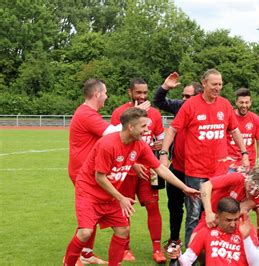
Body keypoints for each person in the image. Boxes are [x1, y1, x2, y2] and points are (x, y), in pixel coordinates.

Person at [63, 108, 200, 266]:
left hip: (110, 195)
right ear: (130, 127)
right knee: (85, 232)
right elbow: (99, 177)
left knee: (123, 230)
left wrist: (184, 187)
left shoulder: (139, 145)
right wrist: (121, 198)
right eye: (143, 126)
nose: (147, 129)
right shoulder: (107, 144)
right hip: (89, 193)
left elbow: (160, 168)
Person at [160, 69, 250, 246]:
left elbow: (235, 130)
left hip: (219, 172)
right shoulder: (191, 105)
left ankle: (212, 253)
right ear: (204, 84)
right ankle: (191, 256)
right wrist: (163, 154)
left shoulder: (224, 105)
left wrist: (244, 153)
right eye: (214, 84)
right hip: (196, 172)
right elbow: (172, 129)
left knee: (217, 212)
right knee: (194, 215)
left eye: (220, 84)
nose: (218, 88)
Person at [110, 78, 167, 263]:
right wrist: (133, 162)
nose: (142, 96)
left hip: (149, 170)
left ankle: (157, 249)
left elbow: (162, 138)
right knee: (125, 209)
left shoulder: (155, 114)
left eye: (144, 92)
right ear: (130, 93)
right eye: (138, 93)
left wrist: (161, 146)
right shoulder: (120, 113)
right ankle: (125, 248)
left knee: (153, 207)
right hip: (126, 171)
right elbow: (114, 141)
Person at [68, 78, 123, 265]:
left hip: (88, 171)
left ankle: (86, 253)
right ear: (97, 94)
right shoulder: (86, 114)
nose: (107, 97)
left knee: (90, 215)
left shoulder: (87, 113)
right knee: (88, 216)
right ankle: (74, 258)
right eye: (105, 93)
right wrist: (135, 119)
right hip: (83, 173)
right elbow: (111, 132)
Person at [152, 72, 203, 248]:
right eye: (183, 96)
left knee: (197, 209)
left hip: (198, 170)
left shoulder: (207, 110)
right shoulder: (181, 107)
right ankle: (174, 239)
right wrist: (165, 87)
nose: (183, 99)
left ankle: (198, 244)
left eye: (188, 96)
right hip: (178, 167)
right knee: (174, 206)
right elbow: (158, 102)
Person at [167, 197, 259, 265]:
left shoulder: (246, 229)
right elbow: (187, 261)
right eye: (228, 220)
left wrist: (246, 238)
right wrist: (178, 254)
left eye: (236, 219)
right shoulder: (206, 232)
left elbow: (257, 264)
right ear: (217, 217)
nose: (233, 224)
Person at [195, 166, 259, 237]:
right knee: (194, 241)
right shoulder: (237, 178)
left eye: (257, 190)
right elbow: (205, 186)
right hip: (212, 214)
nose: (252, 191)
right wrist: (209, 213)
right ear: (248, 178)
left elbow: (237, 211)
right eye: (251, 186)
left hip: (231, 222)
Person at [226, 88, 259, 171]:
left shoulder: (255, 119)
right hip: (231, 164)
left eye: (247, 102)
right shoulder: (229, 117)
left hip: (249, 164)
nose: (244, 105)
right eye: (241, 102)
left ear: (251, 102)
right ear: (236, 102)